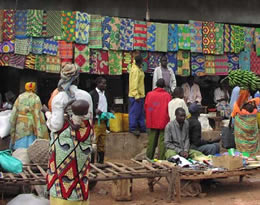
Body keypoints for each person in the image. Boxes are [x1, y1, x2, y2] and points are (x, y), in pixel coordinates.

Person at [46, 100, 93, 205]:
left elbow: (53, 124)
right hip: (80, 186)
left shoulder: (63, 128)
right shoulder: (88, 125)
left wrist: (48, 112)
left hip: (62, 187)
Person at [45, 63, 93, 133]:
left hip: (64, 142)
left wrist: (47, 113)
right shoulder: (86, 95)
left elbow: (56, 126)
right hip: (84, 140)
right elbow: (89, 118)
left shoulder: (59, 98)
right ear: (77, 79)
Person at [9, 82, 49, 150]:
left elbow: (14, 111)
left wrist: (13, 122)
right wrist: (39, 128)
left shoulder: (20, 97)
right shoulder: (36, 98)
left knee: (19, 143)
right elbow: (38, 114)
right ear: (34, 88)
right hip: (31, 125)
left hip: (20, 124)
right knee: (30, 144)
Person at [145, 79, 171, 160]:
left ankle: (149, 158)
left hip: (152, 120)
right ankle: (162, 159)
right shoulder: (167, 95)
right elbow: (169, 109)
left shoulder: (149, 94)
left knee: (151, 141)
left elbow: (146, 107)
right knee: (162, 142)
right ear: (164, 86)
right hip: (163, 121)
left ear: (156, 84)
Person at [231, 90, 260, 155]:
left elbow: (234, 108)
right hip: (251, 125)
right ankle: (251, 156)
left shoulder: (238, 92)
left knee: (243, 146)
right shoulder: (254, 104)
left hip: (243, 122)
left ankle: (245, 156)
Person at [90, 77, 111, 164]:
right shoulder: (92, 94)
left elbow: (108, 105)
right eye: (103, 83)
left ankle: (100, 162)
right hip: (95, 121)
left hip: (103, 121)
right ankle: (91, 162)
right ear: (98, 84)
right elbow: (89, 106)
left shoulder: (106, 94)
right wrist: (95, 110)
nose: (104, 85)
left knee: (102, 142)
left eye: (105, 83)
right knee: (94, 141)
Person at [128, 54, 146, 136]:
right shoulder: (135, 70)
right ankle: (133, 128)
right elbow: (133, 83)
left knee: (140, 113)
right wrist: (136, 95)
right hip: (135, 96)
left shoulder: (139, 69)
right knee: (134, 112)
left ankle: (142, 127)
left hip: (140, 95)